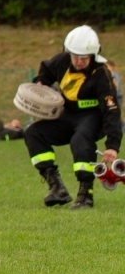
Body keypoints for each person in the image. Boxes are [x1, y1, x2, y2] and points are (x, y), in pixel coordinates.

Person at [25, 25, 122, 210]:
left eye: (83, 57)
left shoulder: (101, 74)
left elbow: (111, 110)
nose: (78, 61)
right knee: (33, 133)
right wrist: (40, 82)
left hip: (93, 118)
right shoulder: (62, 61)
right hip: (67, 115)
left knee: (81, 139)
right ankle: (56, 187)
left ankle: (86, 194)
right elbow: (45, 71)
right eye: (74, 56)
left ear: (93, 55)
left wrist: (112, 146)